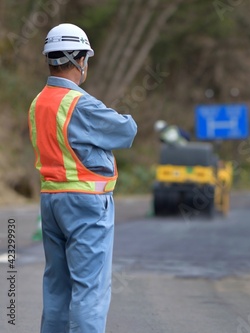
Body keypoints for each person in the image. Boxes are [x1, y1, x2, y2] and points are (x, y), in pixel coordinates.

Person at [28, 23, 137, 332]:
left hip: (51, 201)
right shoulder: (80, 104)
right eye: (85, 58)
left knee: (57, 289)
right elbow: (126, 130)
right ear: (78, 60)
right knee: (90, 291)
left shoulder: (38, 103)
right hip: (86, 205)